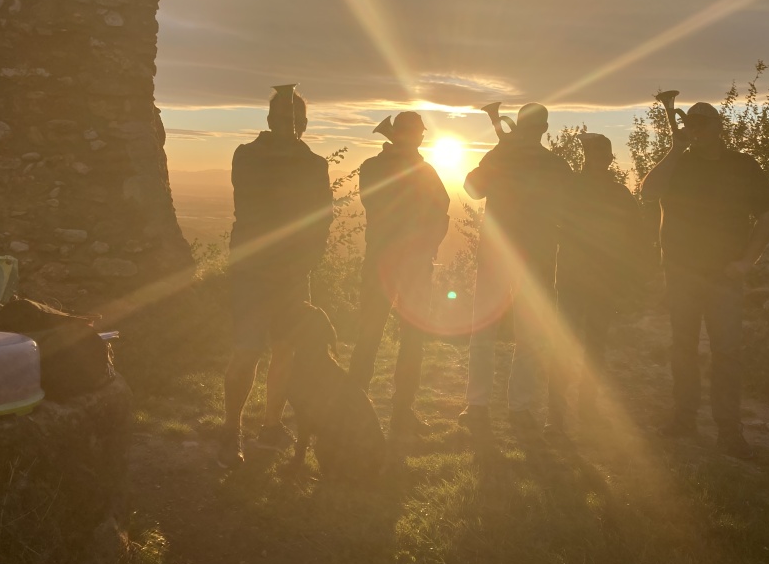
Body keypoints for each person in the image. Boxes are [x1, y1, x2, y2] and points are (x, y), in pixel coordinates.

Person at [640, 100, 769, 459]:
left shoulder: (742, 165)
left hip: (724, 275)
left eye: (703, 124)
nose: (697, 130)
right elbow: (648, 190)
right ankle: (684, 418)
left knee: (727, 354)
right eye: (692, 125)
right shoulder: (678, 163)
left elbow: (768, 213)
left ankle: (729, 431)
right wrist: (674, 147)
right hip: (681, 272)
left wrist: (748, 261)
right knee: (683, 349)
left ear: (719, 127)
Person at [218, 85, 334, 468]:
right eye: (283, 119)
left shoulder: (314, 164)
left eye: (296, 120)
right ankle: (231, 428)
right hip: (253, 269)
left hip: (293, 271)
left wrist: (307, 262)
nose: (290, 126)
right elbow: (255, 201)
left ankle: (270, 427)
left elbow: (321, 218)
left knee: (285, 351)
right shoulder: (248, 156)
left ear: (303, 124)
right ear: (270, 121)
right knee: (246, 350)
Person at [457, 103, 572, 432]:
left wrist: (500, 153)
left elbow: (471, 189)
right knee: (521, 336)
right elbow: (473, 188)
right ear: (542, 129)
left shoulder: (550, 164)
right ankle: (509, 408)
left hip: (520, 257)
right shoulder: (550, 163)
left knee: (496, 334)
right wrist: (498, 152)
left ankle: (484, 406)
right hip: (522, 257)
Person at [348, 111, 450, 436]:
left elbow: (439, 207)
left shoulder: (375, 167)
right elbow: (439, 208)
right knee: (406, 338)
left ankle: (359, 408)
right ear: (411, 135)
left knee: (374, 335)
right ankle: (396, 411)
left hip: (388, 260)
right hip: (407, 262)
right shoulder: (413, 169)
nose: (421, 139)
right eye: (418, 133)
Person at [547, 133, 645, 437]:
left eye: (603, 156)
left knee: (593, 348)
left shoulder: (588, 190)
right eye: (596, 155)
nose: (600, 161)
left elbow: (635, 236)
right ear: (589, 157)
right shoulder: (575, 189)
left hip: (595, 280)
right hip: (577, 279)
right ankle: (559, 417)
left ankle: (579, 412)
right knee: (569, 346)